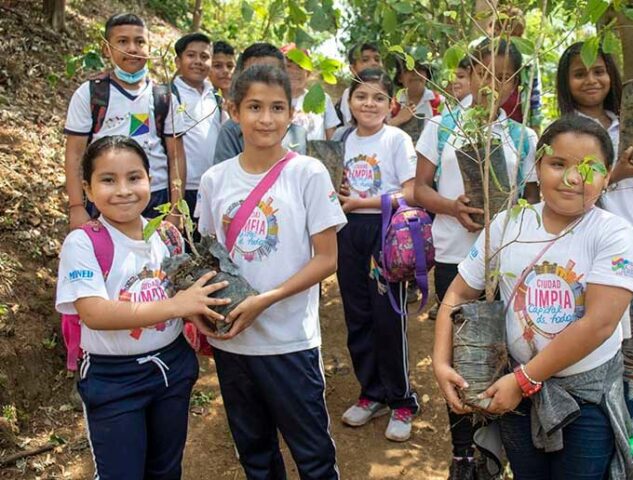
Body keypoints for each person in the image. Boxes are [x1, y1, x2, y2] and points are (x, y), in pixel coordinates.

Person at [434, 115, 633, 479]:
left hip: (585, 397)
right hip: (515, 393)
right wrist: (440, 360)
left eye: (589, 168)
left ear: (608, 177)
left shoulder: (613, 235)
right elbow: (458, 291)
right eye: (558, 164)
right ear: (537, 165)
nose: (572, 178)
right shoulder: (509, 224)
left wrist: (524, 379)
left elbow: (599, 324)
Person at [194, 65, 346, 479]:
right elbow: (208, 257)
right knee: (255, 454)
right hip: (233, 344)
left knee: (313, 455)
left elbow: (327, 259)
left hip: (289, 341)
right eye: (255, 107)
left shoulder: (308, 173)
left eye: (277, 107)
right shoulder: (213, 180)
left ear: (292, 112)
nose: (266, 118)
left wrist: (266, 300)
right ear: (233, 111)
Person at [55, 135, 230, 479]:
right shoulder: (84, 243)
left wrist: (200, 312)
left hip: (172, 367)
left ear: (151, 181)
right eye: (108, 180)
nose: (123, 190)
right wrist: (178, 306)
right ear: (88, 190)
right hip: (112, 378)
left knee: (166, 468)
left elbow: (181, 295)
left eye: (134, 177)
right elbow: (94, 313)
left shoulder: (166, 236)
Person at [414, 38, 537, 479]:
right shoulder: (443, 125)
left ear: (516, 84)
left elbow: (532, 204)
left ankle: (506, 447)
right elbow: (419, 189)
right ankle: (465, 453)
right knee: (465, 354)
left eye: (503, 76)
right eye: (484, 73)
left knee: (509, 352)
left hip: (508, 263)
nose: (492, 84)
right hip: (454, 256)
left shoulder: (524, 138)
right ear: (471, 72)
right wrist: (454, 208)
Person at [556, 41, 633, 433]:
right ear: (566, 82)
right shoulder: (561, 133)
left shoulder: (632, 124)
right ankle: (587, 437)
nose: (591, 79)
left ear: (611, 76)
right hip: (584, 253)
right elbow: (562, 195)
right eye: (580, 72)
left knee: (632, 360)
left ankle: (626, 442)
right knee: (591, 347)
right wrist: (617, 172)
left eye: (599, 71)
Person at [333, 68, 420, 442]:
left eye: (378, 98)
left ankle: (402, 400)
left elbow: (412, 193)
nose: (369, 104)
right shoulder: (340, 141)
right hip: (347, 233)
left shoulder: (397, 140)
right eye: (361, 96)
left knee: (389, 317)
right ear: (349, 102)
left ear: (391, 104)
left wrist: (362, 201)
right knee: (358, 316)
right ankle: (371, 393)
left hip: (387, 233)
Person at [63, 13, 185, 230]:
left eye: (140, 42)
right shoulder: (91, 94)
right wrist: (76, 207)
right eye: (122, 41)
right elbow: (75, 154)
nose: (132, 48)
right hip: (105, 197)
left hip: (155, 199)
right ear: (106, 49)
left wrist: (175, 210)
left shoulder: (164, 97)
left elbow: (176, 155)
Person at [213, 43, 307, 163]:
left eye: (271, 72)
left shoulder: (298, 133)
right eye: (253, 73)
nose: (262, 79)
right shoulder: (231, 130)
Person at [171, 32, 223, 223]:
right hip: (185, 189)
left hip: (214, 187)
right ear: (178, 61)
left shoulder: (215, 96)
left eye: (205, 56)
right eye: (191, 55)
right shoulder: (170, 96)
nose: (198, 61)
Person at [281, 43, 342, 140]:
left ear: (308, 73)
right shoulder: (269, 101)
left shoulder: (322, 99)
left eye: (300, 67)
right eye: (288, 66)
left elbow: (332, 139)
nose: (294, 71)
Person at [389, 57, 443, 143]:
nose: (415, 73)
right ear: (400, 77)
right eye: (409, 69)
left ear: (427, 75)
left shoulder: (439, 102)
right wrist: (398, 119)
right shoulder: (393, 104)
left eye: (420, 69)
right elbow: (378, 132)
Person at [337, 43, 383, 126]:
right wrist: (399, 119)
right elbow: (361, 128)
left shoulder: (388, 93)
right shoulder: (350, 93)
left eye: (377, 59)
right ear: (353, 69)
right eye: (365, 60)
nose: (373, 63)